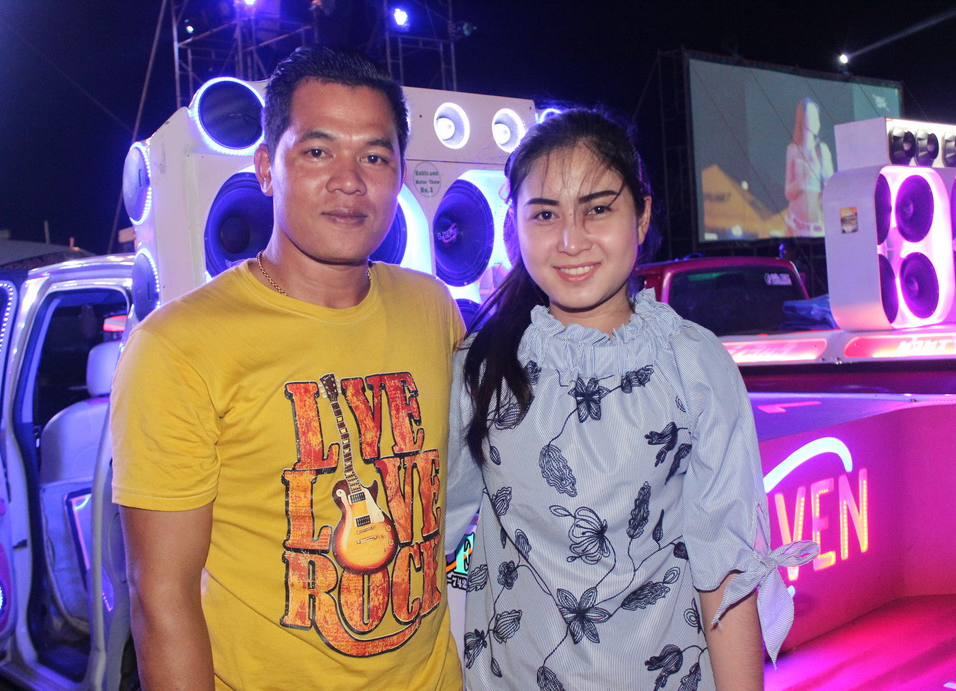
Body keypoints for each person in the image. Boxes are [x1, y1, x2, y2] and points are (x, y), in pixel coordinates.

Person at [111, 46, 465, 690]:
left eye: (375, 157)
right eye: (318, 151)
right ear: (265, 169)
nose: (349, 181)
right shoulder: (178, 346)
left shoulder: (431, 308)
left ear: (399, 175)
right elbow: (162, 600)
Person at [444, 109, 817, 690]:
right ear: (515, 224)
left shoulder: (694, 365)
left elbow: (725, 570)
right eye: (545, 214)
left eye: (598, 209)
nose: (571, 240)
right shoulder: (483, 367)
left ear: (641, 216)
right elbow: (430, 534)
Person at [785, 98, 835, 238]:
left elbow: (831, 187)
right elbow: (788, 193)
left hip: (817, 224)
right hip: (794, 223)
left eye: (816, 117)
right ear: (803, 119)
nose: (815, 121)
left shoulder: (823, 150)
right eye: (811, 116)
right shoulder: (792, 149)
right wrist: (804, 178)